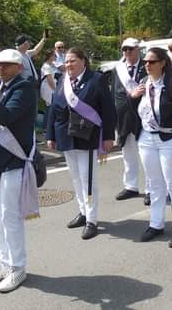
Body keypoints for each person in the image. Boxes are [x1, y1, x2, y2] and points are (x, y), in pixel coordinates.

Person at [0, 49, 38, 293]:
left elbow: (7, 117)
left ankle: (18, 267)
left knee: (10, 217)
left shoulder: (23, 88)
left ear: (19, 67)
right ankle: (4, 262)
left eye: (6, 65)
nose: (0, 68)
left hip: (14, 159)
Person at [46, 47, 116, 239]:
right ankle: (83, 211)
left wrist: (109, 136)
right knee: (76, 178)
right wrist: (50, 134)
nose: (69, 65)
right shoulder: (62, 80)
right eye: (67, 61)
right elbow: (54, 109)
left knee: (88, 179)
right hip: (66, 136)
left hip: (88, 136)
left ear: (83, 61)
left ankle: (92, 219)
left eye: (73, 61)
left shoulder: (97, 79)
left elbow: (108, 110)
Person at [131, 47, 172, 248]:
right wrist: (133, 98)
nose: (147, 65)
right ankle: (156, 224)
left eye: (151, 62)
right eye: (145, 62)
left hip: (169, 139)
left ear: (163, 63)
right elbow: (136, 113)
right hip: (146, 139)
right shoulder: (143, 85)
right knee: (155, 184)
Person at [112, 37, 149, 202]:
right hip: (124, 116)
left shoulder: (147, 65)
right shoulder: (117, 69)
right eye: (124, 50)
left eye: (130, 49)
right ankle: (131, 186)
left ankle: (151, 189)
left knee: (147, 155)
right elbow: (115, 94)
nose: (127, 52)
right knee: (128, 154)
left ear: (138, 49)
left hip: (145, 117)